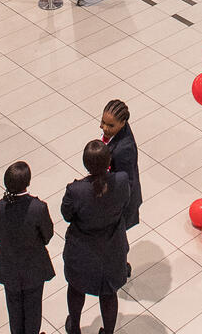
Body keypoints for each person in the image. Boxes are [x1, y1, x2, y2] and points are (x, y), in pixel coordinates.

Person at [60, 140, 132, 334]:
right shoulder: (122, 180)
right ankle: (108, 332)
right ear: (109, 161)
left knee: (76, 288)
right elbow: (126, 202)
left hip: (81, 251)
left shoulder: (75, 191)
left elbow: (66, 215)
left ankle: (74, 327)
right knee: (109, 294)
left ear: (85, 164)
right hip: (113, 249)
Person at [0, 162, 54, 334]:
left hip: (9, 267)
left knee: (14, 309)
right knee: (33, 309)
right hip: (33, 268)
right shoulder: (38, 208)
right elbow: (47, 235)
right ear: (28, 183)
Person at [99, 100, 141, 228]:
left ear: (123, 123)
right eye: (103, 122)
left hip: (121, 206)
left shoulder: (123, 150)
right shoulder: (118, 131)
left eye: (110, 125)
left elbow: (126, 183)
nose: (105, 128)